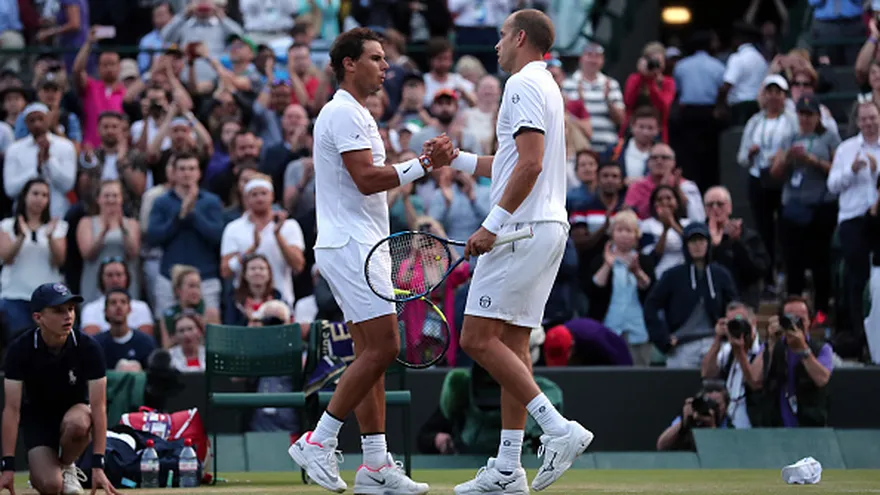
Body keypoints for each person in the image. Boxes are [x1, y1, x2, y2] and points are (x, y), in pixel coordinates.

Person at [287, 27, 455, 495]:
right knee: (383, 347)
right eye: (376, 58)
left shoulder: (357, 113)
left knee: (371, 354)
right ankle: (318, 441)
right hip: (351, 246)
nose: (386, 67)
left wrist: (418, 164)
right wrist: (424, 164)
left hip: (360, 243)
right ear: (349, 64)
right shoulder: (343, 112)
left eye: (385, 59)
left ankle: (376, 466)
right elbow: (366, 179)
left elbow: (367, 179)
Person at [440, 10, 592, 494]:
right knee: (512, 345)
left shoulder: (521, 84)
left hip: (520, 230)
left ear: (521, 37)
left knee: (475, 338)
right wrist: (457, 160)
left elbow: (530, 165)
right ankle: (508, 467)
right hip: (545, 227)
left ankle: (557, 428)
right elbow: (512, 163)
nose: (497, 44)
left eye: (503, 35)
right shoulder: (546, 84)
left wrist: (491, 225)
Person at [0, 283, 119, 495]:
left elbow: (98, 407)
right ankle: (48, 472)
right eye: (58, 310)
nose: (68, 316)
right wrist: (7, 466)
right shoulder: (19, 349)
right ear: (38, 318)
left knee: (78, 423)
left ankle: (67, 466)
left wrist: (98, 465)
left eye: (71, 309)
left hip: (75, 414)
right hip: (38, 423)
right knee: (51, 486)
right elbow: (11, 409)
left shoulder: (89, 347)